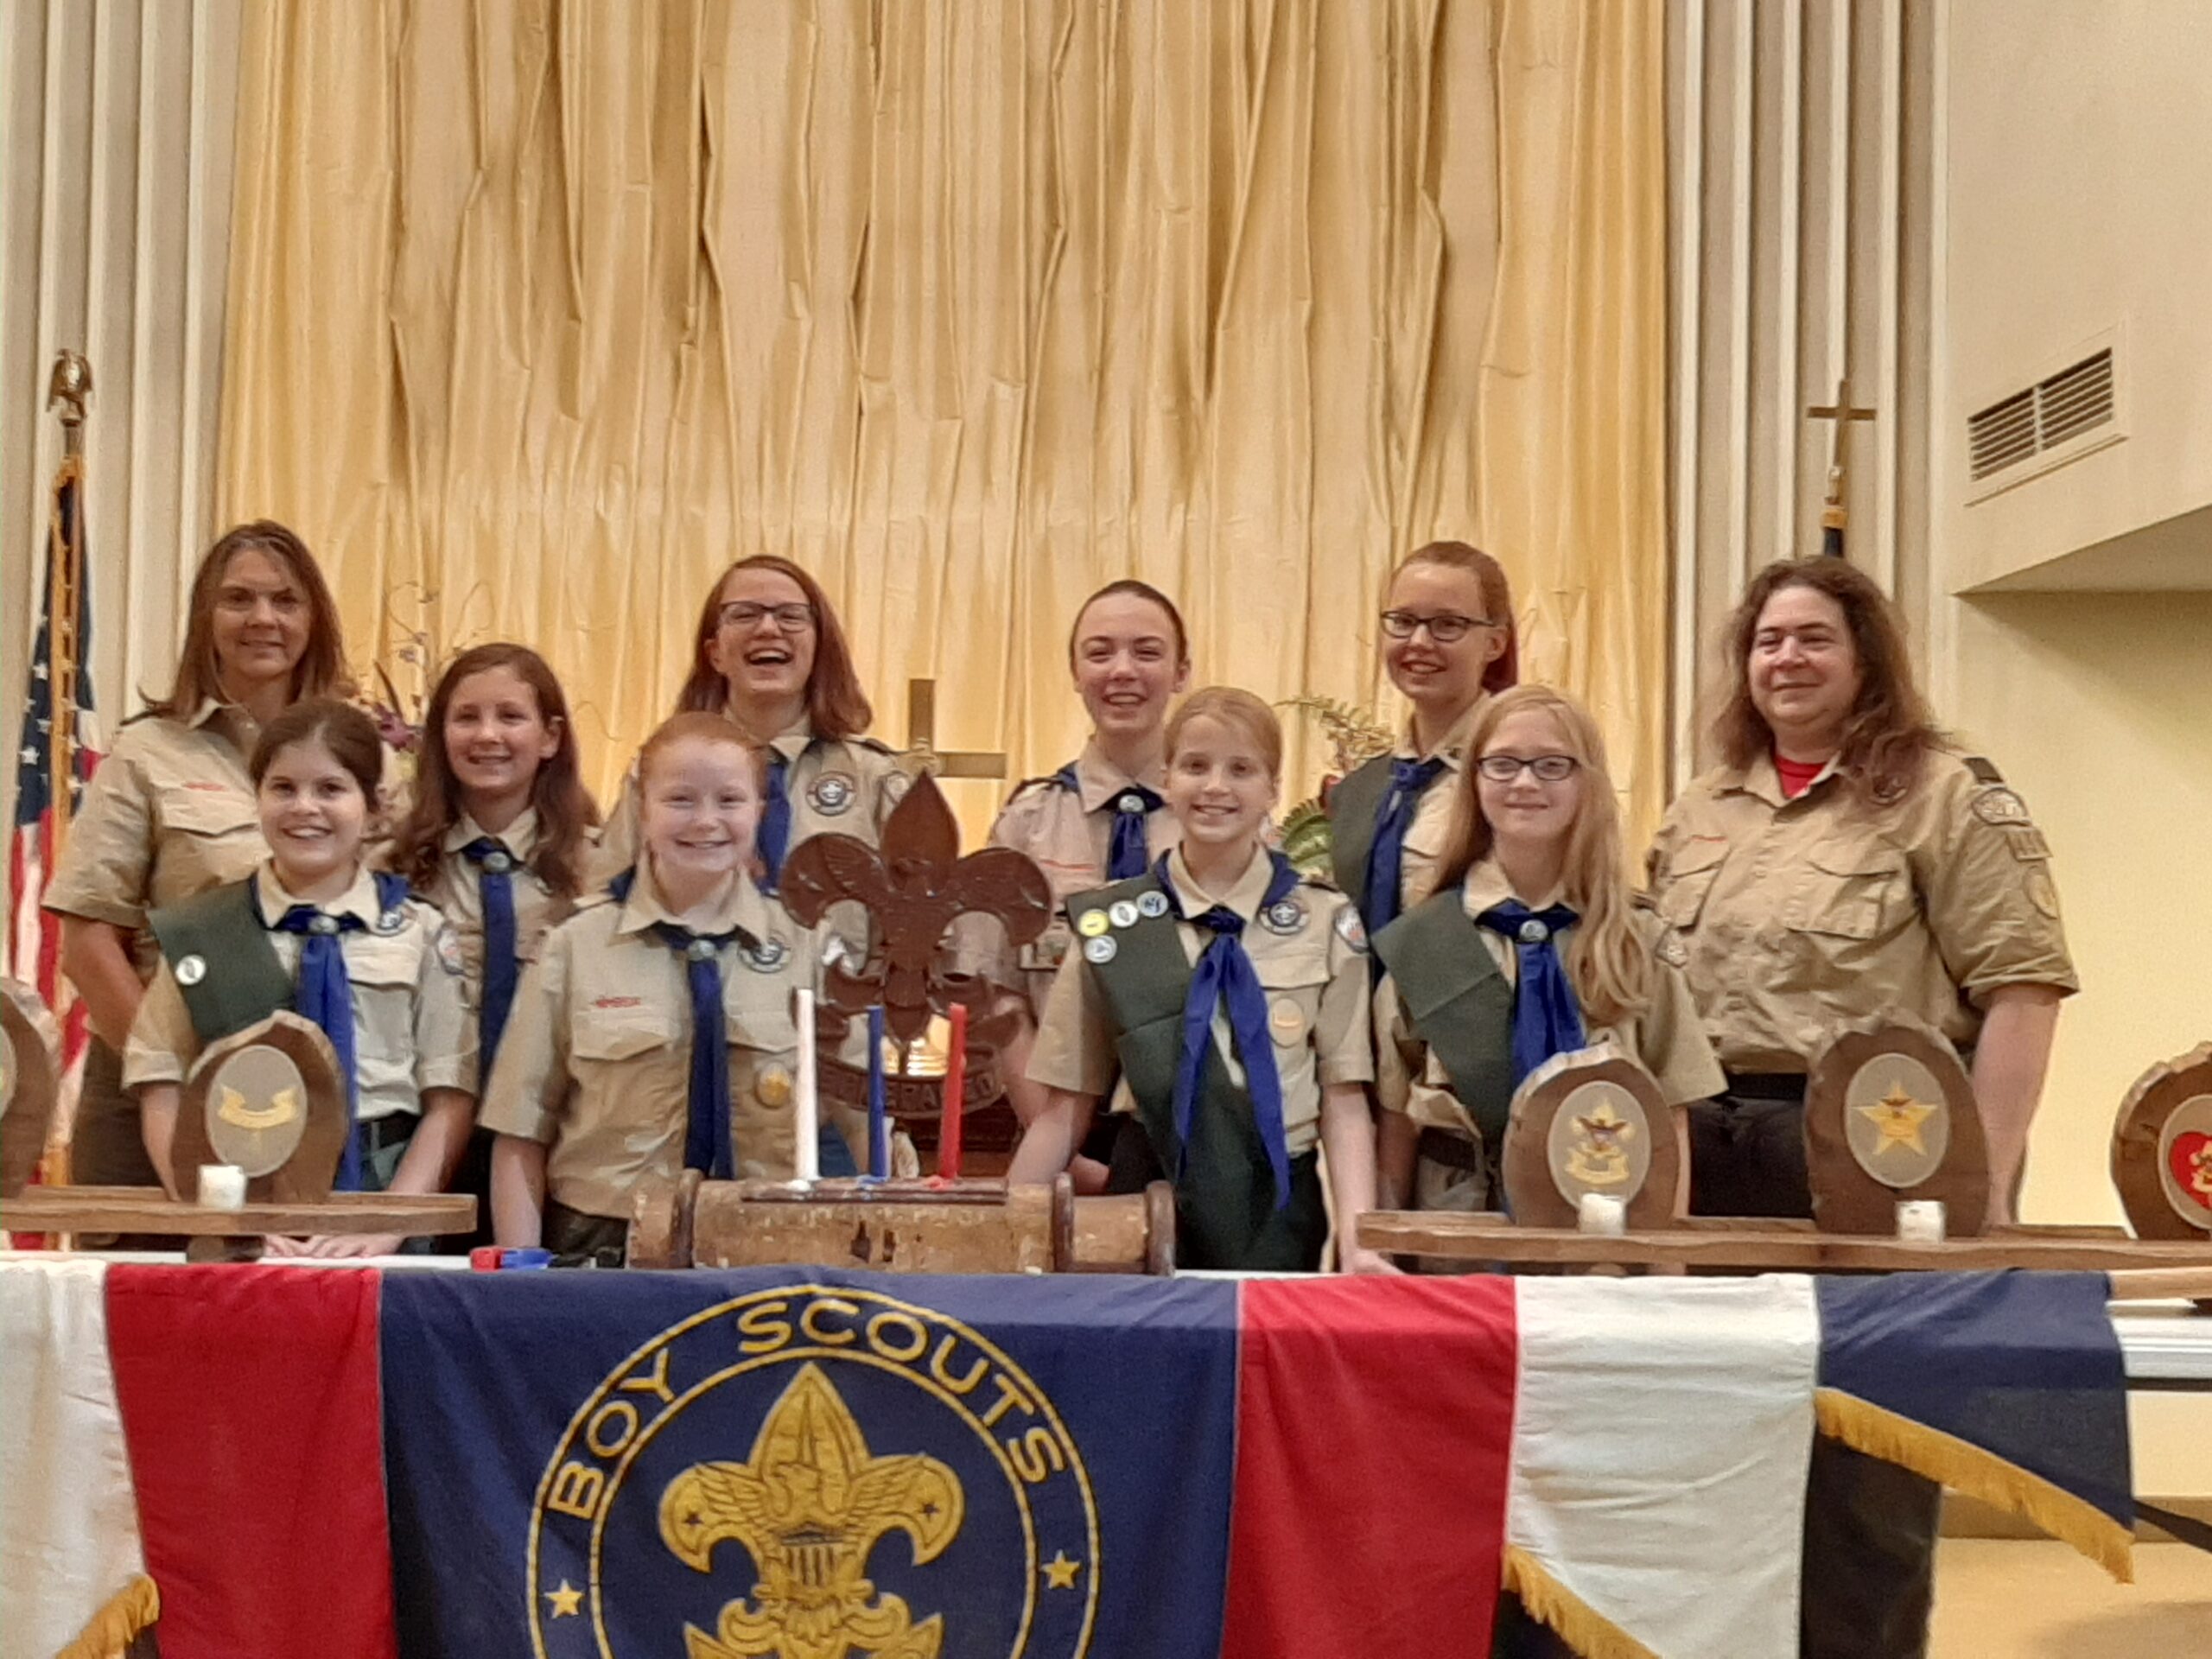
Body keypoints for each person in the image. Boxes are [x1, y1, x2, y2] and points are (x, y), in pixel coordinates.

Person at [1646, 556, 2075, 1659]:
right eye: (1766, 641)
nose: (1785, 660)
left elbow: (2021, 991)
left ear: (1865, 657)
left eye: (1812, 638)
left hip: (1875, 1167)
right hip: (1710, 1158)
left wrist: (1975, 1185)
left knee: (1865, 1477)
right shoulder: (1704, 805)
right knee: (1715, 1458)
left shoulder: (1942, 792)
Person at [1009, 688, 1390, 1273]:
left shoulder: (1325, 921)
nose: (1216, 787)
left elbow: (1343, 1102)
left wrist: (1360, 1246)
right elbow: (1064, 1112)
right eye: (1195, 766)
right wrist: (1005, 1235)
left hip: (1274, 1197)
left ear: (1273, 789)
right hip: (1145, 1188)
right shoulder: (1114, 926)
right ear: (1167, 780)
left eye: (1241, 769)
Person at [481, 714, 872, 1262]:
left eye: (730, 800)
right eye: (681, 800)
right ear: (643, 808)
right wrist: (519, 1271)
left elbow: (864, 1119)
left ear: (760, 810)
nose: (706, 821)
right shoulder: (577, 946)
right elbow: (520, 1132)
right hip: (606, 1239)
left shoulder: (808, 946)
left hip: (774, 1239)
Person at [48, 521, 356, 1200]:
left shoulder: (359, 759)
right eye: (239, 599)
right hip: (151, 1099)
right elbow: (88, 944)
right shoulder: (148, 752)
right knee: (149, 1301)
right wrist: (178, 1084)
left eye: (285, 600)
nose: (263, 619)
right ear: (205, 618)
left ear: (315, 619)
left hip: (306, 1102)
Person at [124, 700, 473, 1255]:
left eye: (331, 789)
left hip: (381, 1198)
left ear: (374, 807)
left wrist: (391, 1224)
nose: (304, 808)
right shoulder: (205, 931)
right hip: (241, 1203)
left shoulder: (419, 933)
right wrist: (218, 1216)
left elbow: (449, 1100)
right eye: (282, 788)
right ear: (255, 798)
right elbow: (161, 1085)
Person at [1373, 685, 1722, 1219]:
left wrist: (1666, 1261)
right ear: (1474, 781)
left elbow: (1671, 1113)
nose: (1525, 782)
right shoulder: (1426, 941)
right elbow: (1395, 1122)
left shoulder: (1634, 938)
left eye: (1553, 765)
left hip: (1609, 1221)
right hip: (1459, 1230)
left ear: (1589, 784)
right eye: (1503, 764)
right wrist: (1389, 1257)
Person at [385, 645, 601, 1245]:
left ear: (550, 736)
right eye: (466, 717)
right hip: (421, 1139)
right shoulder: (390, 869)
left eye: (510, 716)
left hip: (550, 1145)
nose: (487, 736)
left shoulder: (598, 869)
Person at [979, 580, 1188, 1185]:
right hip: (1054, 1135)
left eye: (1147, 652)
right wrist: (1061, 1148)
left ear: (1181, 670)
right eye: (1099, 653)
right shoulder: (1027, 823)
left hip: (1187, 1140)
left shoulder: (1217, 816)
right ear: (1074, 671)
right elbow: (1000, 994)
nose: (1122, 670)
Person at [590, 556, 906, 891]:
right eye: (745, 614)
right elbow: (606, 895)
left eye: (790, 615)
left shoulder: (874, 777)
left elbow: (920, 916)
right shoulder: (660, 771)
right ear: (715, 654)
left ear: (818, 648)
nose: (768, 629)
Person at [1327, 541, 1519, 943]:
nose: (1418, 641)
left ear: (1495, 643)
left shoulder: (1522, 780)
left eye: (1448, 624)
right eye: (1403, 620)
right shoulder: (1359, 790)